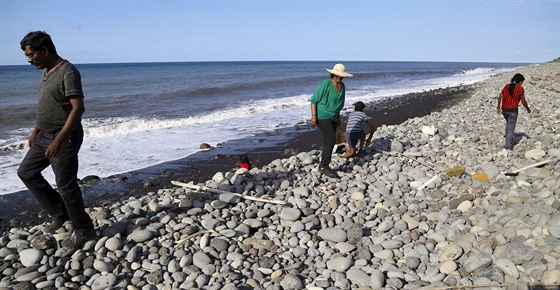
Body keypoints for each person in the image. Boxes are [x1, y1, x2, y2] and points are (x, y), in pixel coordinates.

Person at [17, 31, 95, 249]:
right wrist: (36, 129)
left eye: (31, 54)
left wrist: (58, 140)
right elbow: (49, 105)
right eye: (27, 55)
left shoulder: (68, 72)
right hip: (44, 135)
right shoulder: (46, 71)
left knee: (66, 185)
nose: (29, 59)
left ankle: (84, 229)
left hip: (64, 137)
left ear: (45, 50)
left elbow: (78, 108)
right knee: (27, 172)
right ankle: (60, 213)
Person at [310, 63, 353, 178]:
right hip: (322, 115)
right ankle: (324, 166)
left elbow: (338, 104)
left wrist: (338, 117)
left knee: (328, 140)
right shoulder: (325, 84)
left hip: (333, 116)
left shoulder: (342, 86)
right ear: (333, 74)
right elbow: (313, 100)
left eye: (341, 76)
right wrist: (314, 116)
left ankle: (324, 159)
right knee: (331, 139)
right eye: (337, 75)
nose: (339, 78)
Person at [496, 73, 531, 151]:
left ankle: (507, 137)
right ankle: (507, 146)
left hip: (504, 110)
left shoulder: (507, 86)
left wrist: (498, 107)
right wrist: (528, 109)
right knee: (511, 127)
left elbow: (499, 97)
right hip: (513, 111)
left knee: (509, 124)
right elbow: (523, 102)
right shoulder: (520, 89)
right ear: (520, 81)